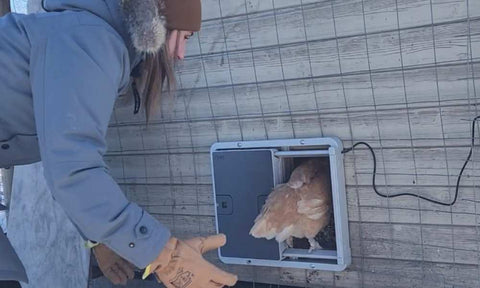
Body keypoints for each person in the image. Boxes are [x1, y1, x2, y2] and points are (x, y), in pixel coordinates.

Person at [0, 0, 238, 287]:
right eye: (184, 38)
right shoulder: (91, 41)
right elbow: (74, 169)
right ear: (159, 25)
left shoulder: (89, 37)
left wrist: (99, 239)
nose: (181, 55)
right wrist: (166, 255)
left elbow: (66, 156)